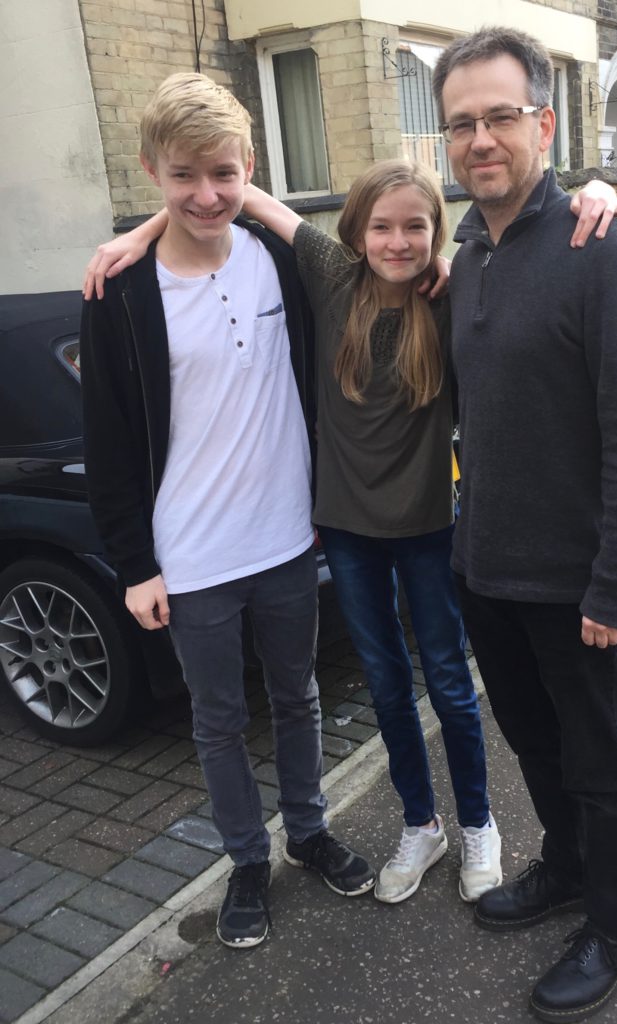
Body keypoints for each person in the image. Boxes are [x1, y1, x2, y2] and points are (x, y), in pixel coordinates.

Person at [85, 155, 617, 908]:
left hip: (430, 530)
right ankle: (421, 823)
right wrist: (142, 233)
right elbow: (235, 197)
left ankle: (479, 824)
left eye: (416, 227)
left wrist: (595, 196)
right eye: (381, 226)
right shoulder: (328, 277)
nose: (398, 242)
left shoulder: (454, 289)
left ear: (438, 234)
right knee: (385, 686)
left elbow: (526, 254)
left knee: (449, 683)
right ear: (353, 232)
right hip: (345, 531)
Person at [79, 72, 376, 951]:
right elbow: (108, 440)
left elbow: (360, 267)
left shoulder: (279, 259)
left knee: (298, 695)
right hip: (192, 553)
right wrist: (135, 564)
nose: (204, 195)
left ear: (249, 168)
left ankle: (309, 831)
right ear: (150, 171)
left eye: (223, 172)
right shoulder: (121, 293)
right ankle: (248, 861)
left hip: (287, 535)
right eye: (182, 177)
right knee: (217, 720)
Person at [431, 26, 617, 1023]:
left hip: (578, 587)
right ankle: (568, 870)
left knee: (602, 760)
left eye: (498, 116)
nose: (479, 138)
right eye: (460, 123)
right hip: (486, 571)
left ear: (541, 121)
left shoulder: (597, 246)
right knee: (535, 746)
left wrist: (614, 585)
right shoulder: (467, 253)